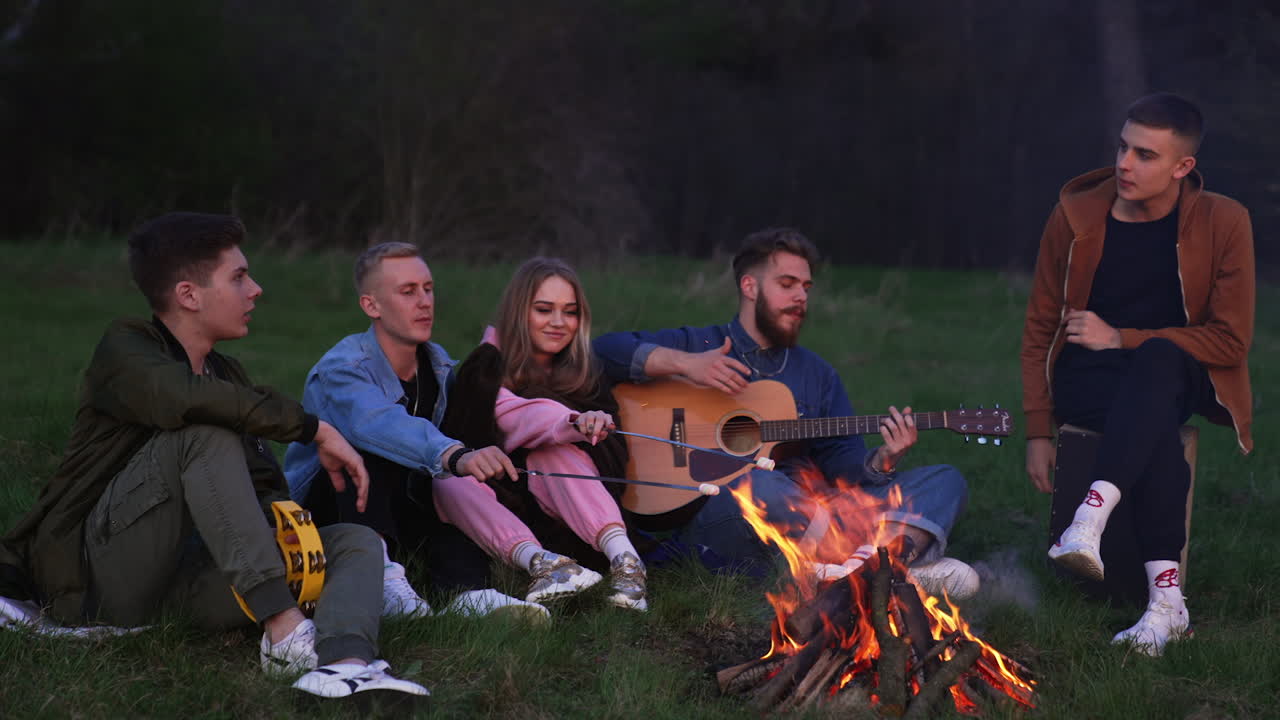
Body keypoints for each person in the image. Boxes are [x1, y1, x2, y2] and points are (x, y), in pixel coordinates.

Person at [0, 213, 427, 703]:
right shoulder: (125, 348)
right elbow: (180, 398)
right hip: (103, 577)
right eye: (239, 277)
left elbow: (263, 483)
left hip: (191, 581)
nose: (256, 290)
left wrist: (289, 535)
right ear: (189, 295)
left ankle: (344, 667)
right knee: (202, 433)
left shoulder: (229, 374)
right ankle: (285, 629)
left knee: (354, 540)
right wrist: (313, 428)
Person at [593, 228, 979, 599]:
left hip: (815, 511)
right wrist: (685, 363)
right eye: (787, 284)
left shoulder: (817, 375)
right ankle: (890, 563)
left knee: (946, 480)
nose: (801, 298)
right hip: (729, 514)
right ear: (750, 286)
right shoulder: (701, 343)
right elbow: (604, 351)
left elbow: (843, 463)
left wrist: (882, 459)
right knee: (760, 484)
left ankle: (866, 569)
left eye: (806, 288)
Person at [1022, 93, 1254, 656]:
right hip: (1091, 379)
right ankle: (1167, 604)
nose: (1125, 164)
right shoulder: (1076, 216)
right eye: (1123, 147)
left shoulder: (1225, 221)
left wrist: (1121, 336)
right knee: (1152, 435)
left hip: (1178, 372)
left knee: (1157, 361)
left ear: (1183, 167)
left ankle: (1089, 519)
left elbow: (1230, 339)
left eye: (1146, 155)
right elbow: (1039, 326)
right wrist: (1036, 430)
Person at [284, 242, 549, 621]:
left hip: (400, 499)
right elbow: (376, 423)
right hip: (329, 509)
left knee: (451, 487)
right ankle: (381, 579)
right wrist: (456, 455)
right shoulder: (342, 368)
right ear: (371, 306)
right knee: (368, 450)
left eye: (428, 288)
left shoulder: (437, 364)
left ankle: (466, 592)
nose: (424, 302)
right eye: (408, 292)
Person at [436, 257, 647, 610]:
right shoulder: (486, 366)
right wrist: (570, 423)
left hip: (580, 520)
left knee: (555, 454)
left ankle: (628, 564)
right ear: (520, 312)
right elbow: (506, 415)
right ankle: (545, 566)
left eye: (570, 312)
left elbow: (615, 460)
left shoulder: (585, 371)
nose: (558, 322)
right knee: (446, 479)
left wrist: (591, 428)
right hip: (501, 511)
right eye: (544, 310)